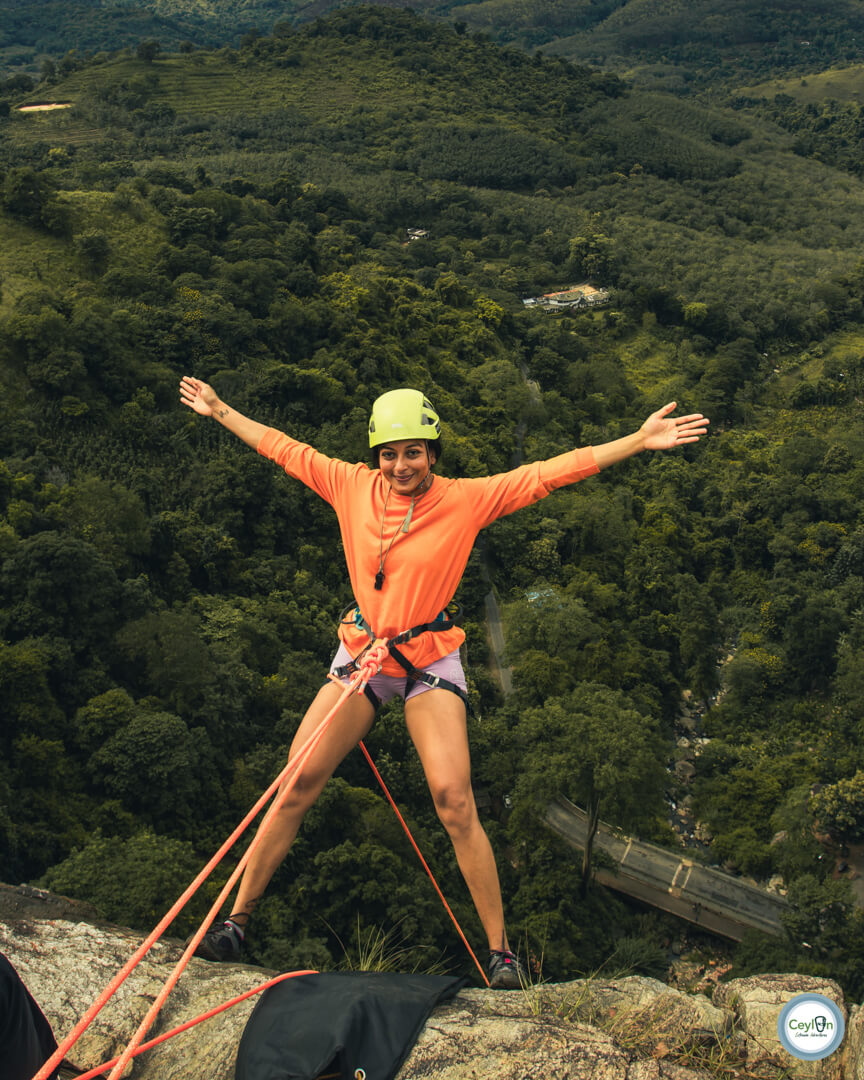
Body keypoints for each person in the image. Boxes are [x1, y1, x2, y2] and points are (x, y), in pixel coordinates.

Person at [179, 376, 708, 988]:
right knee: (295, 780)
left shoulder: (465, 500)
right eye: (389, 453)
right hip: (366, 653)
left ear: (432, 452)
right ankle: (236, 922)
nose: (401, 465)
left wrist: (637, 441)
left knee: (455, 800)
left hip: (428, 658)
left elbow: (548, 473)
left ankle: (500, 953)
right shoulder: (349, 485)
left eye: (414, 451)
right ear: (376, 456)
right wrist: (220, 409)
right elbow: (282, 447)